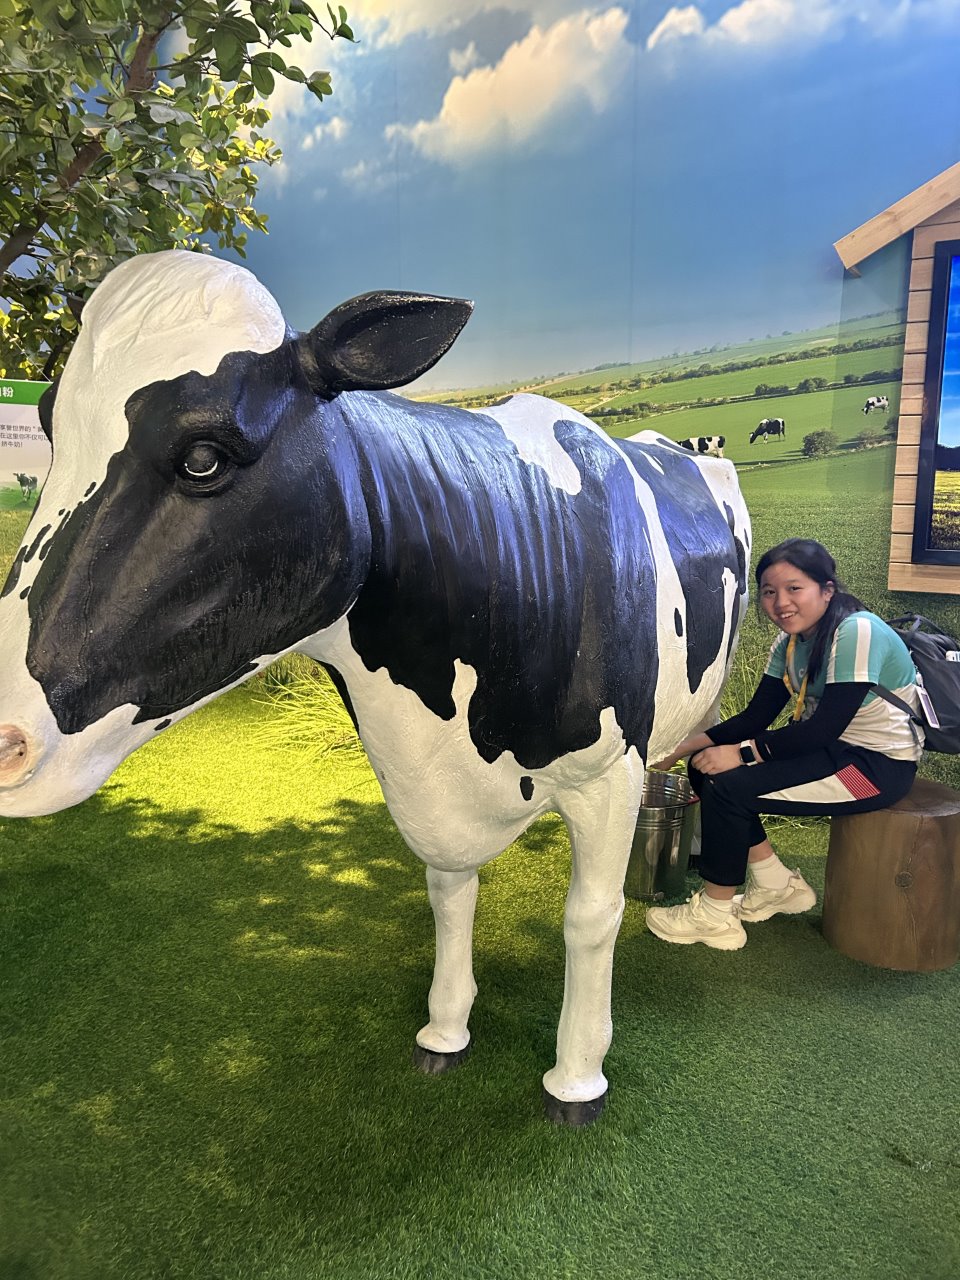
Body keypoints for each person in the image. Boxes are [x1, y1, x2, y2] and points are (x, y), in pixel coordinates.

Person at [645, 538, 923, 951]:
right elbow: (755, 718)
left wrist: (741, 754)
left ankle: (715, 917)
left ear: (826, 590)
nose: (780, 603)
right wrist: (683, 747)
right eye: (769, 592)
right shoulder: (790, 642)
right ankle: (775, 884)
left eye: (795, 588)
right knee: (705, 766)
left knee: (728, 786)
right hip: (829, 753)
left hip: (875, 769)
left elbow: (821, 730)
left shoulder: (857, 631)